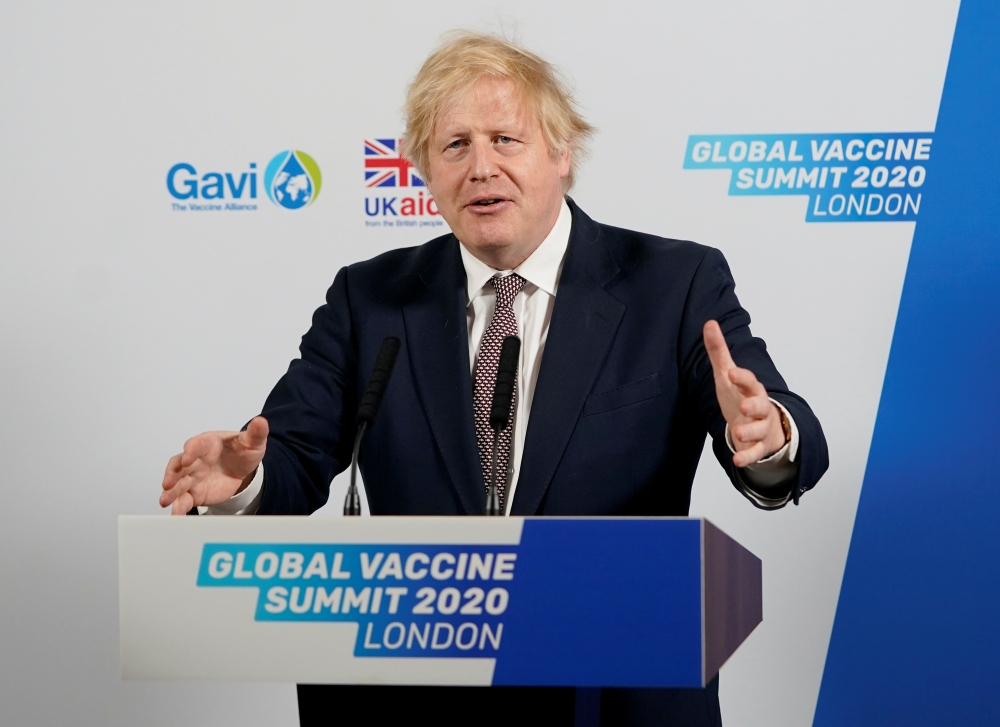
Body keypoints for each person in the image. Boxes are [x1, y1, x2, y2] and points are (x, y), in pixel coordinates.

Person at [160, 31, 827, 727]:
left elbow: (784, 425)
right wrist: (242, 481)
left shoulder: (673, 283)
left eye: (506, 139)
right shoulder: (370, 300)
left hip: (614, 693)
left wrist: (769, 433)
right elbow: (291, 453)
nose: (481, 167)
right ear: (424, 170)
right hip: (418, 699)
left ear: (562, 154)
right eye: (455, 146)